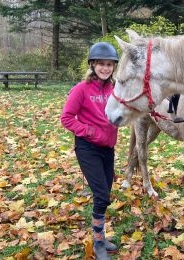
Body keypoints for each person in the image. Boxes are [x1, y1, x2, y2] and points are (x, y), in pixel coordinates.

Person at [60, 42, 119, 260]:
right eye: (101, 64)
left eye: (109, 64)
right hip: (88, 148)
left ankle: (101, 236)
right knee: (102, 195)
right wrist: (88, 131)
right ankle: (98, 242)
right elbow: (66, 118)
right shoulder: (81, 89)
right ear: (92, 65)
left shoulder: (115, 89)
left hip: (108, 148)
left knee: (105, 194)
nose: (105, 68)